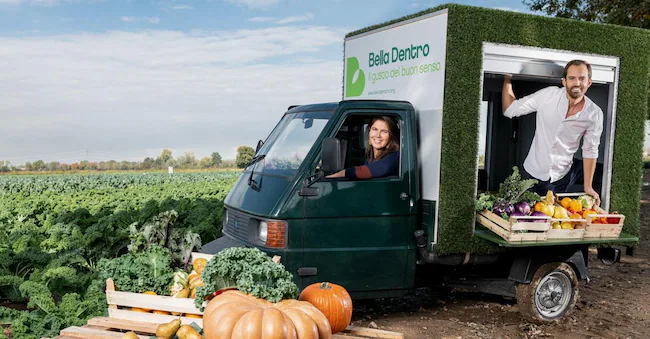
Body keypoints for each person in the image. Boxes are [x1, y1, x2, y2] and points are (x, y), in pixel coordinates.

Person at [502, 59, 603, 206]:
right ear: (564, 81)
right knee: (525, 217)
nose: (577, 83)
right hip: (531, 174)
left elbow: (590, 150)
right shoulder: (548, 96)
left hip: (561, 178)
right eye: (572, 78)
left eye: (582, 78)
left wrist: (588, 187)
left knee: (553, 219)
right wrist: (507, 78)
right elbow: (510, 110)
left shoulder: (594, 114)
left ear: (589, 82)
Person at [327, 116, 400, 179]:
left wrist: (338, 175)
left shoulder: (395, 157)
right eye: (374, 129)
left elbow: (376, 169)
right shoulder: (369, 159)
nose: (378, 135)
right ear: (369, 131)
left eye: (384, 131)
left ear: (391, 136)